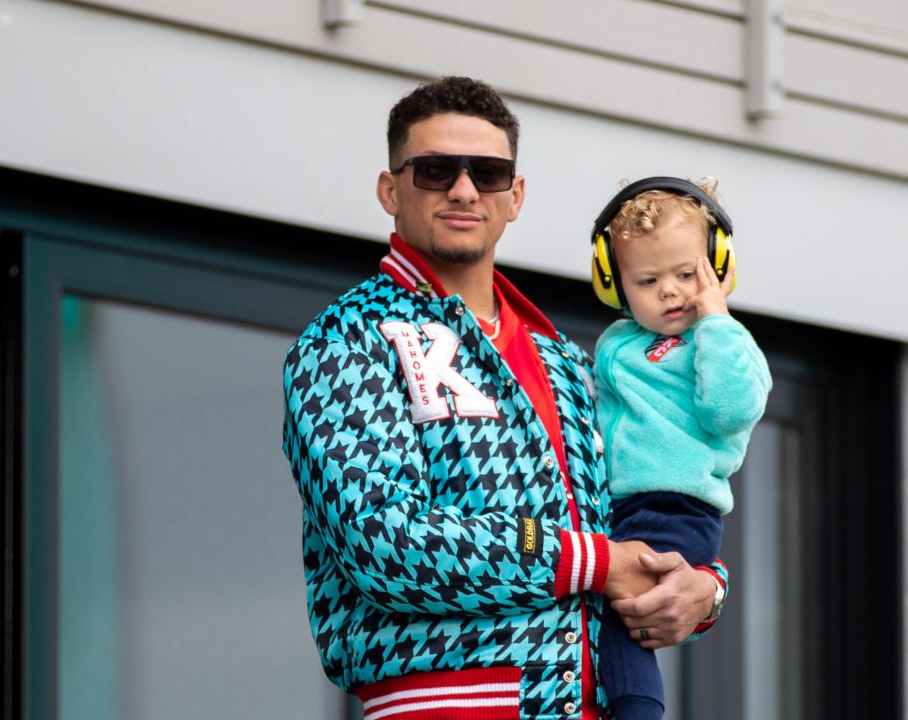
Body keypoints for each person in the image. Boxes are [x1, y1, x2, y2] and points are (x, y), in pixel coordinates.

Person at [281, 76, 727, 720]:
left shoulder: (569, 363)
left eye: (487, 174)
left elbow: (647, 502)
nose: (464, 189)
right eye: (435, 171)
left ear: (514, 196)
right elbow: (383, 539)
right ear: (390, 190)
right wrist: (592, 562)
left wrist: (703, 588)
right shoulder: (348, 339)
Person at [588, 178, 772, 720]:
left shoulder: (727, 342)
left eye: (687, 274)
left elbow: (731, 410)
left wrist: (715, 321)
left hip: (677, 507)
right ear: (613, 284)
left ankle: (639, 709)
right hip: (618, 509)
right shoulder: (617, 343)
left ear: (718, 266)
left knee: (629, 614)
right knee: (602, 614)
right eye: (647, 280)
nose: (669, 291)